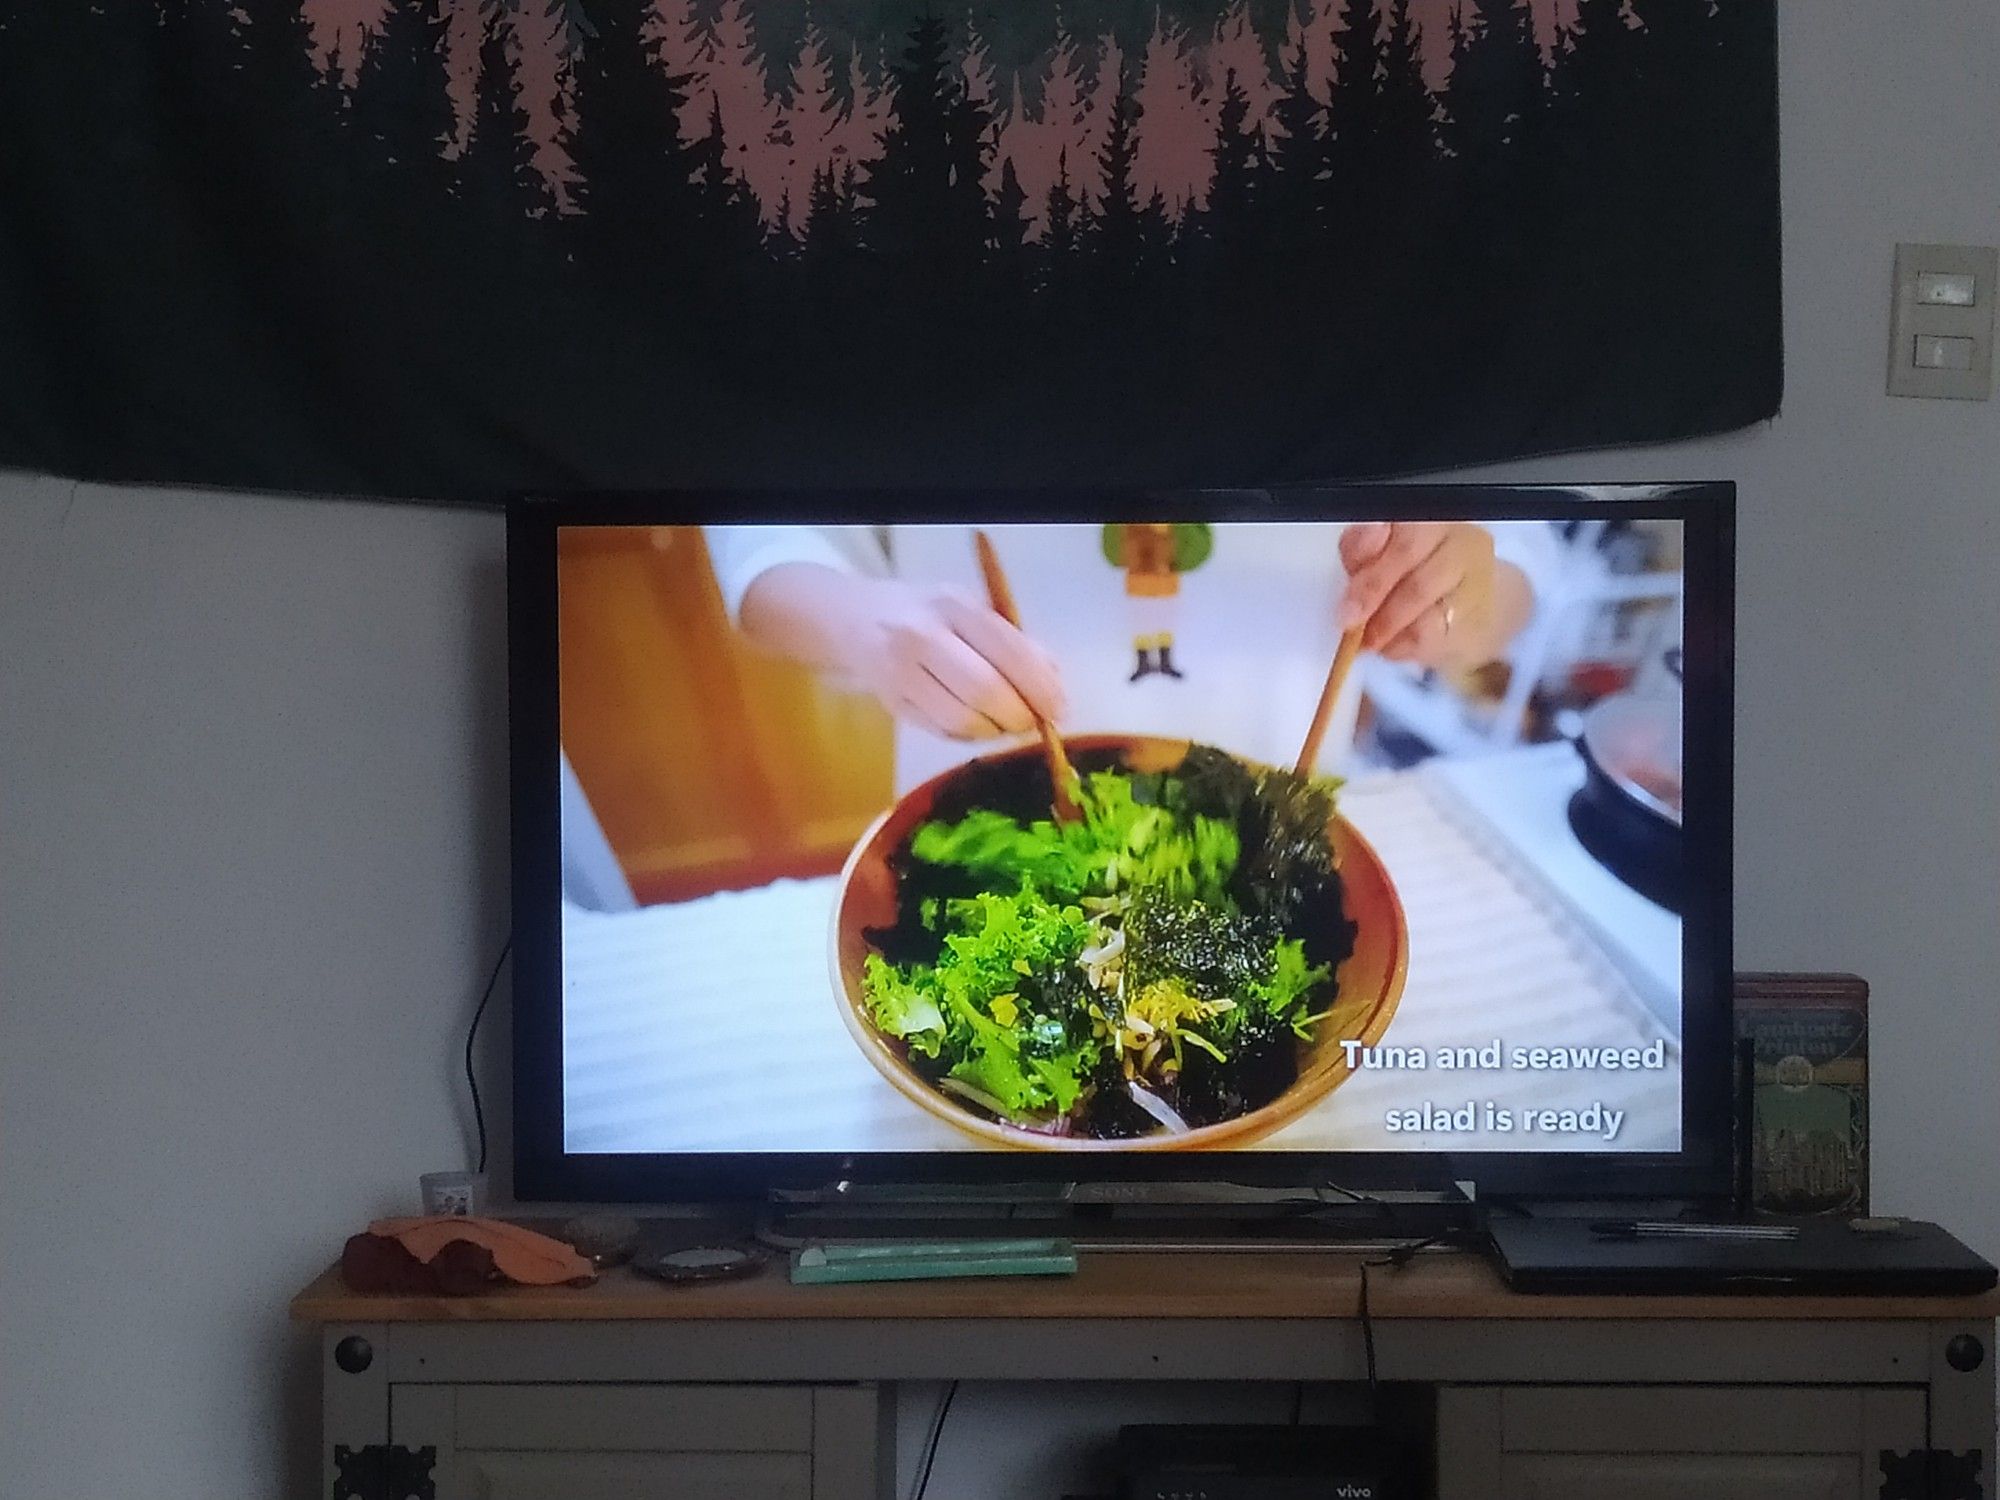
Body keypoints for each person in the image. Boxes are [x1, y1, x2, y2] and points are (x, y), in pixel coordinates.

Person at [706, 517, 1558, 791]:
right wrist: (864, 621)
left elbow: (1523, 553)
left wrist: (1461, 601)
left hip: (1278, 809)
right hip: (975, 797)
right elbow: (765, 541)